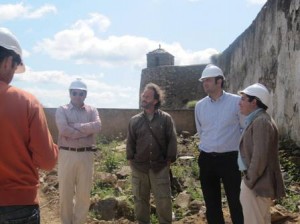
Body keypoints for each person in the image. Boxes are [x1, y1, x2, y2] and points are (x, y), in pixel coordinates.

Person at [0, 27, 58, 223]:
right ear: (8, 62)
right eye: (15, 68)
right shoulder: (27, 102)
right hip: (18, 206)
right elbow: (47, 161)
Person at [194, 64, 244, 224]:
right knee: (211, 203)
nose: (205, 83)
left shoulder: (236, 102)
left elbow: (244, 129)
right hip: (207, 159)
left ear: (219, 81)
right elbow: (201, 131)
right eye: (203, 81)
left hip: (230, 159)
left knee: (236, 201)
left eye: (208, 80)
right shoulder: (200, 106)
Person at [126, 82, 177, 224]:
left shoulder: (165, 119)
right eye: (143, 95)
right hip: (139, 168)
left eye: (147, 96)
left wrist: (168, 162)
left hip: (160, 167)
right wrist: (132, 161)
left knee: (164, 200)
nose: (144, 98)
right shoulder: (134, 121)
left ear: (155, 100)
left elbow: (172, 140)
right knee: (140, 201)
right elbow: (130, 143)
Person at [55, 78, 101, 224]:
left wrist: (74, 127)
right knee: (65, 193)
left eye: (81, 93)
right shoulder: (62, 110)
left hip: (86, 154)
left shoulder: (92, 110)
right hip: (67, 154)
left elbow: (98, 126)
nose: (77, 96)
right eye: (75, 93)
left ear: (85, 95)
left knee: (84, 194)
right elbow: (64, 130)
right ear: (70, 94)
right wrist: (86, 130)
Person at [238, 83, 285, 224]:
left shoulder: (261, 122)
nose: (239, 103)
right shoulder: (260, 120)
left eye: (243, 99)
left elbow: (259, 157)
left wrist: (249, 181)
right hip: (257, 183)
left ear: (254, 102)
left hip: (257, 184)